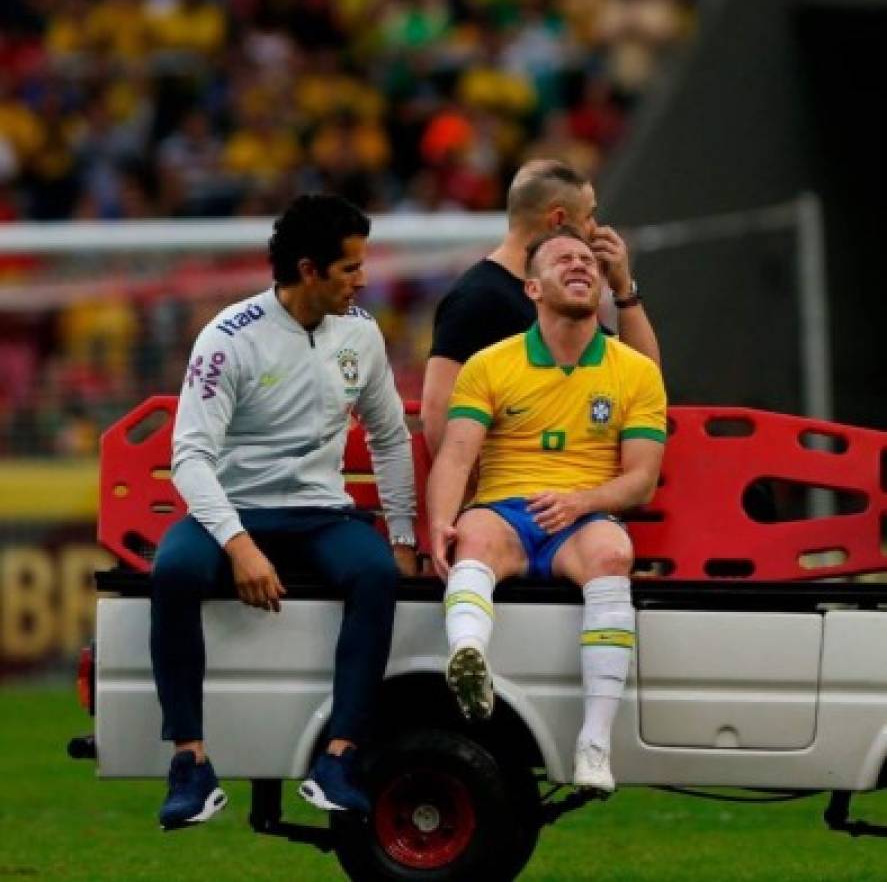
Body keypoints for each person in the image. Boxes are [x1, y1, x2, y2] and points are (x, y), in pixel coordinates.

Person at [151, 193, 417, 830]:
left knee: (377, 574)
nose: (363, 279)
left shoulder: (361, 334)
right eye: (350, 268)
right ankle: (190, 762)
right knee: (173, 573)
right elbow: (189, 456)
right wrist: (239, 545)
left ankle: (339, 759)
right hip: (234, 513)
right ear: (308, 270)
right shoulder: (227, 338)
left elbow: (389, 437)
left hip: (321, 515)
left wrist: (404, 536)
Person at [427, 226, 666, 794]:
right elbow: (458, 456)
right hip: (507, 510)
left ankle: (594, 744)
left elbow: (641, 481)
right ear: (532, 287)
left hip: (583, 518)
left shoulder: (634, 370)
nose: (580, 264)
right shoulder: (489, 364)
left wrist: (582, 500)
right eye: (563, 259)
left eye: (588, 259)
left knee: (613, 553)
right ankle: (467, 657)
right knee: (474, 535)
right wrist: (439, 519)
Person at [421, 158, 660, 457]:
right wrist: (472, 501)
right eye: (589, 216)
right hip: (510, 494)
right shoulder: (476, 299)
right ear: (558, 220)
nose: (595, 229)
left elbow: (646, 384)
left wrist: (624, 290)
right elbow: (437, 414)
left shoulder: (561, 297)